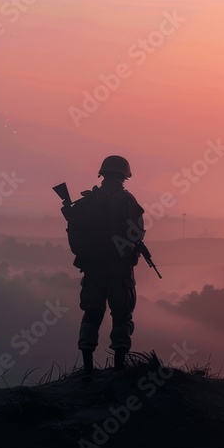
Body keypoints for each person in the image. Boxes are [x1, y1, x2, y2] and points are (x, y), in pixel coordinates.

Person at [75, 155, 145, 375]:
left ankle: (87, 370)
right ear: (124, 175)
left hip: (93, 268)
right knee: (121, 316)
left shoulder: (87, 201)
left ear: (103, 174)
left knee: (92, 315)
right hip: (118, 268)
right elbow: (137, 232)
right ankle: (119, 369)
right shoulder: (126, 200)